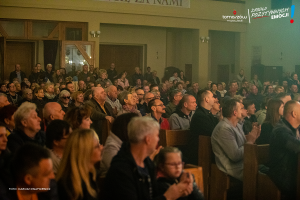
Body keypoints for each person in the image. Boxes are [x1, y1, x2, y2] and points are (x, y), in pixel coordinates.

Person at [103, 117, 193, 200]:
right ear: (148, 139)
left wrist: (180, 192)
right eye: (157, 136)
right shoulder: (121, 170)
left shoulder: (147, 162)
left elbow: (154, 195)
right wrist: (167, 197)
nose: (158, 140)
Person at [211, 99, 260, 181]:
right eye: (241, 108)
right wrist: (250, 142)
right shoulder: (223, 128)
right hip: (234, 169)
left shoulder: (236, 125)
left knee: (270, 170)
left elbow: (243, 143)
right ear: (235, 112)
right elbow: (235, 156)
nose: (244, 111)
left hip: (244, 164)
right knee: (265, 177)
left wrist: (253, 137)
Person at [56, 129, 103, 200]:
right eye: (97, 146)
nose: (102, 148)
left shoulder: (91, 174)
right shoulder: (68, 184)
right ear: (84, 153)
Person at [267, 100, 300, 199]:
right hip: (284, 177)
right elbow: (297, 146)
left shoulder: (295, 128)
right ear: (294, 114)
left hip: (293, 173)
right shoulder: (280, 131)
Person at [187, 90, 218, 165]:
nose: (215, 99)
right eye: (212, 97)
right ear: (206, 99)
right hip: (200, 154)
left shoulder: (208, 114)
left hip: (207, 150)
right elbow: (213, 133)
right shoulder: (200, 116)